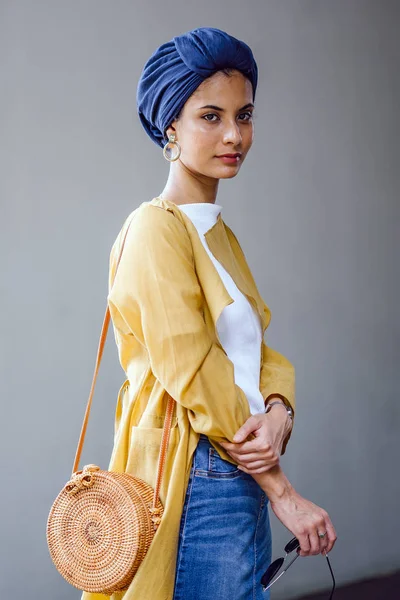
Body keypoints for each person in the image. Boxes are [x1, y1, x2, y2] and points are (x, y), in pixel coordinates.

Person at [81, 26, 337, 600]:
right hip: (202, 471)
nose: (234, 135)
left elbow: (256, 349)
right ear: (170, 125)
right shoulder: (154, 229)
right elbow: (196, 371)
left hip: (232, 466)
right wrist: (283, 493)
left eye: (244, 116)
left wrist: (278, 410)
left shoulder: (216, 234)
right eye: (210, 116)